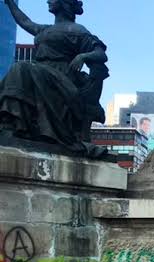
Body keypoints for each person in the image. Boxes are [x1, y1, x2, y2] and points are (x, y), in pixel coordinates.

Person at [0, 0, 109, 156]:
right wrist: (11, 4)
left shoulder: (78, 30)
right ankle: (13, 125)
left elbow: (101, 54)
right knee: (21, 69)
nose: (48, 1)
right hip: (40, 73)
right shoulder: (45, 29)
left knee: (22, 67)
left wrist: (83, 56)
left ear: (64, 3)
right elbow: (24, 21)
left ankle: (15, 125)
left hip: (62, 78)